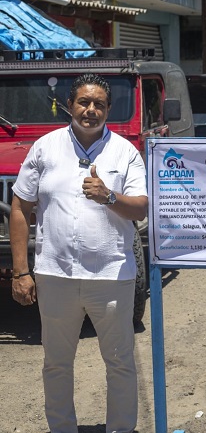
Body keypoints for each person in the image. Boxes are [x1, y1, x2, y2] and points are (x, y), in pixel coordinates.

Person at [10, 73, 149, 433]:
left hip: (112, 276)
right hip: (55, 276)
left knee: (120, 362)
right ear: (69, 106)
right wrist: (21, 271)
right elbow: (20, 209)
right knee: (56, 363)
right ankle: (62, 428)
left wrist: (109, 196)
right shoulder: (44, 148)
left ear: (108, 109)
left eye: (99, 104)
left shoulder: (125, 152)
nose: (91, 110)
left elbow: (141, 209)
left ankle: (121, 428)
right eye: (84, 102)